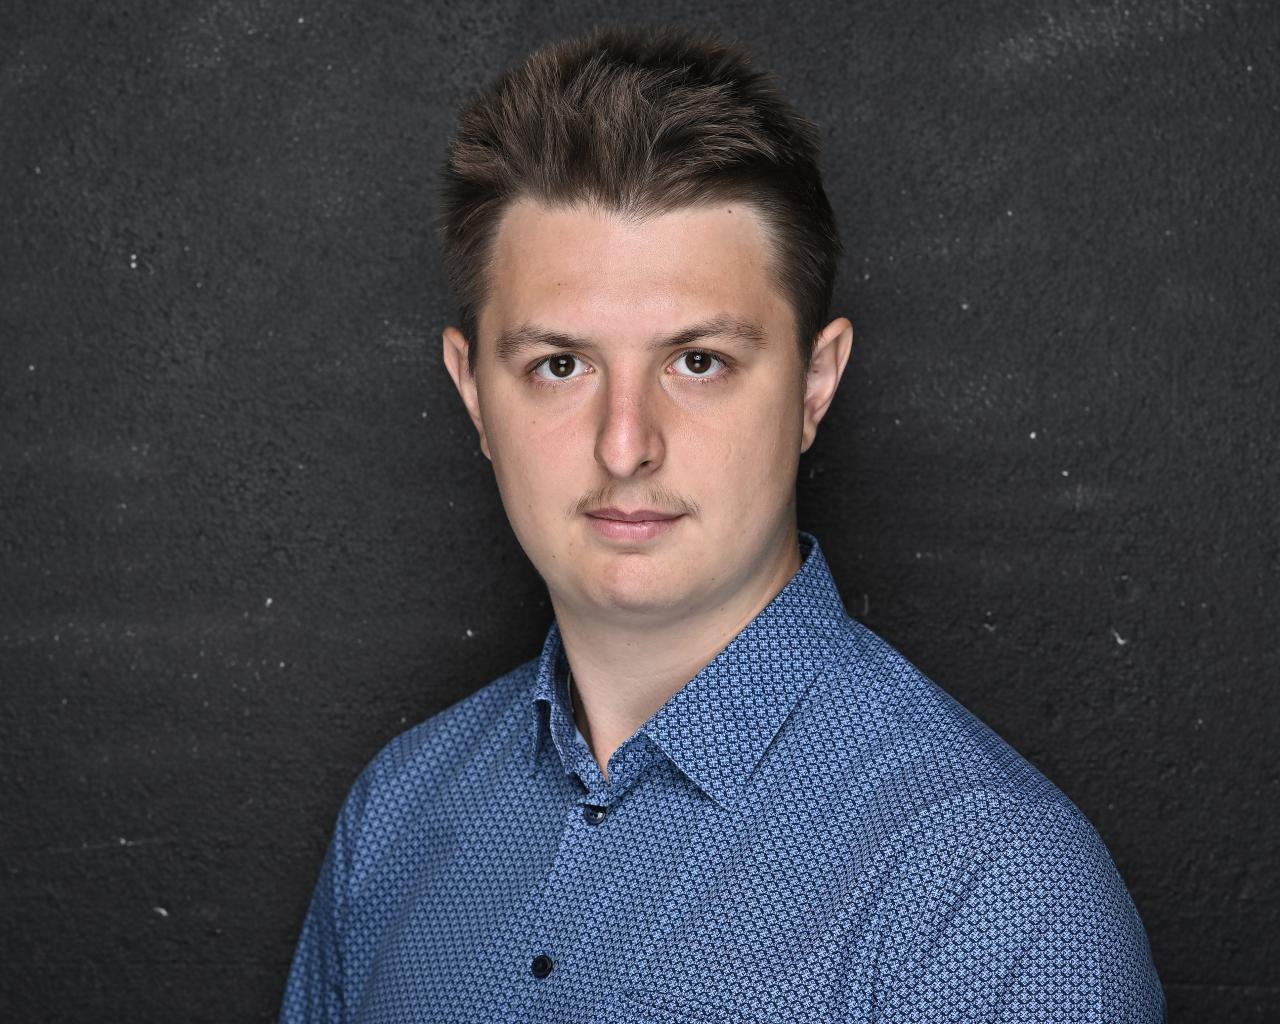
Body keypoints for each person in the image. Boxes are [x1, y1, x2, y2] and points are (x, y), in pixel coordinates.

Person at [280, 25, 1165, 1023]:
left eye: (697, 361)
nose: (625, 445)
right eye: (559, 365)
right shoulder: (392, 822)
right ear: (473, 391)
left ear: (814, 385)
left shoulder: (992, 898)